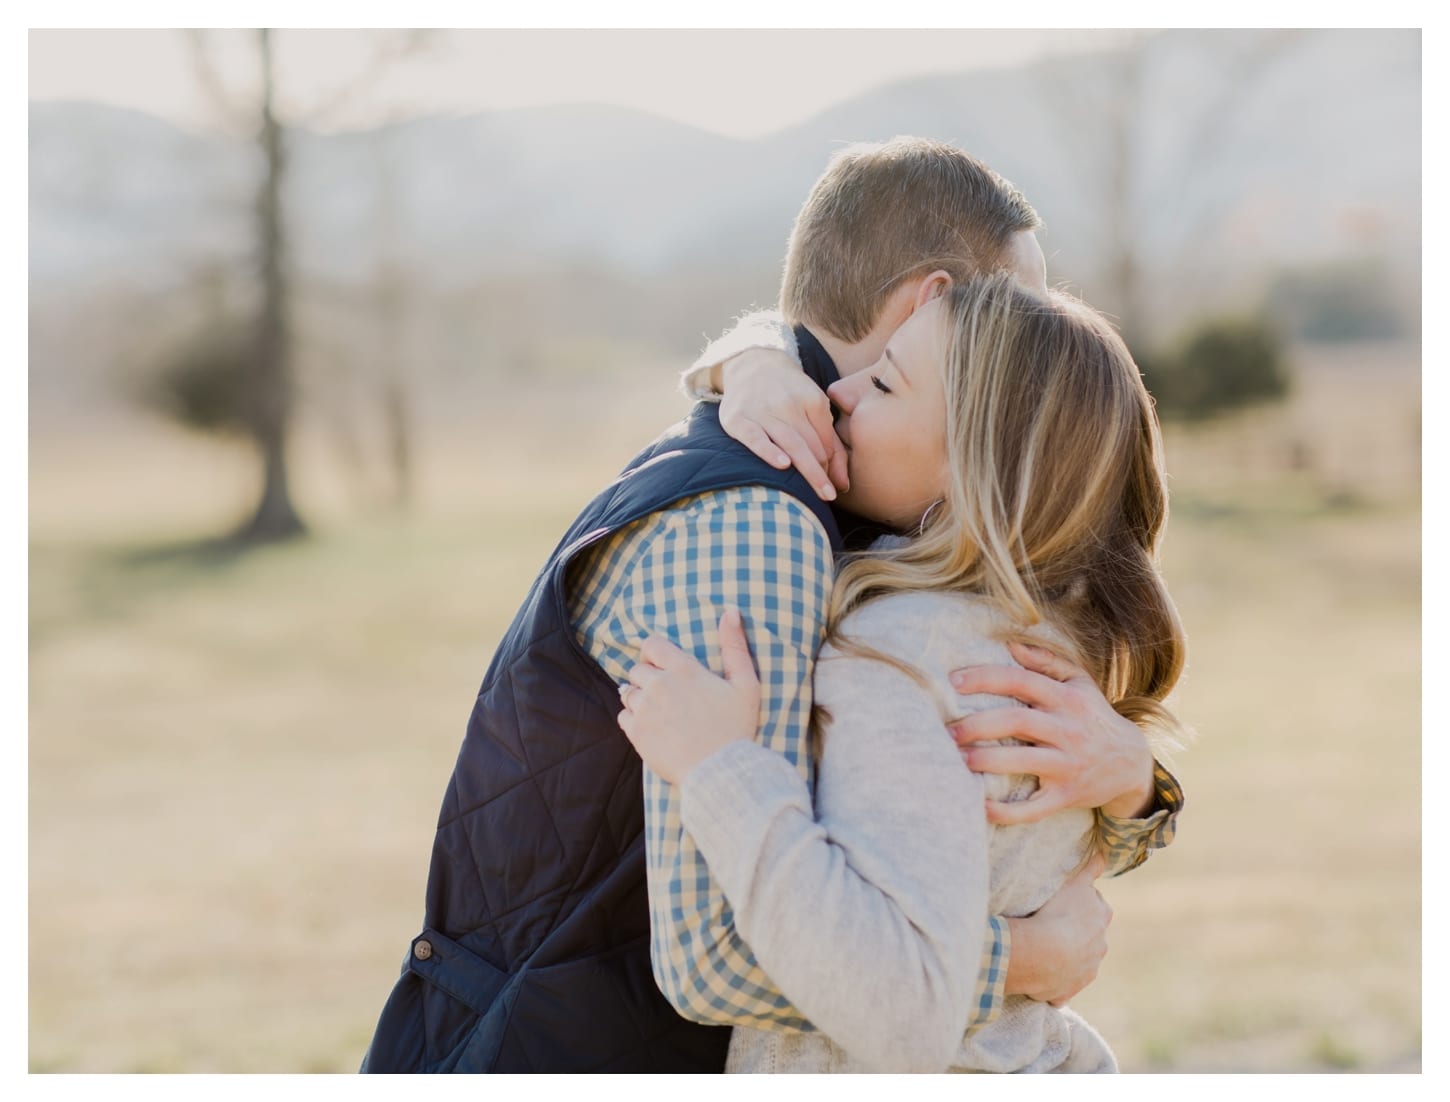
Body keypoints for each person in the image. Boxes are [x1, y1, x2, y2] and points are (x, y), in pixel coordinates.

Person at [360, 137, 1181, 1073]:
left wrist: (1136, 784)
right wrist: (1019, 960)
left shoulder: (892, 542)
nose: (1035, 341)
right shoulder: (765, 525)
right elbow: (712, 958)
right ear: (934, 299)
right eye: (1019, 305)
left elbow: (983, 840)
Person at [617, 273, 1187, 1072]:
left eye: (885, 382)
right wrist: (751, 364)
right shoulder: (1043, 628)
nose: (841, 393)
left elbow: (900, 1006)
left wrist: (720, 768)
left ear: (976, 460)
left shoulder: (903, 655)